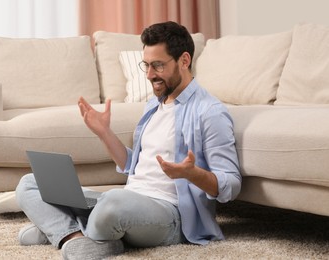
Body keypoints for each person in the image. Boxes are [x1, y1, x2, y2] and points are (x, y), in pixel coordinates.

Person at [16, 21, 242, 260]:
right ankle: (73, 236)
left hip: (170, 214)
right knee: (29, 183)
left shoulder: (210, 112)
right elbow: (133, 165)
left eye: (158, 65)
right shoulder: (154, 105)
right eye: (146, 65)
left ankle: (60, 227)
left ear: (184, 61)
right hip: (129, 199)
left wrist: (191, 173)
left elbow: (231, 184)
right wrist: (104, 132)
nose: (149, 75)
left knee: (113, 202)